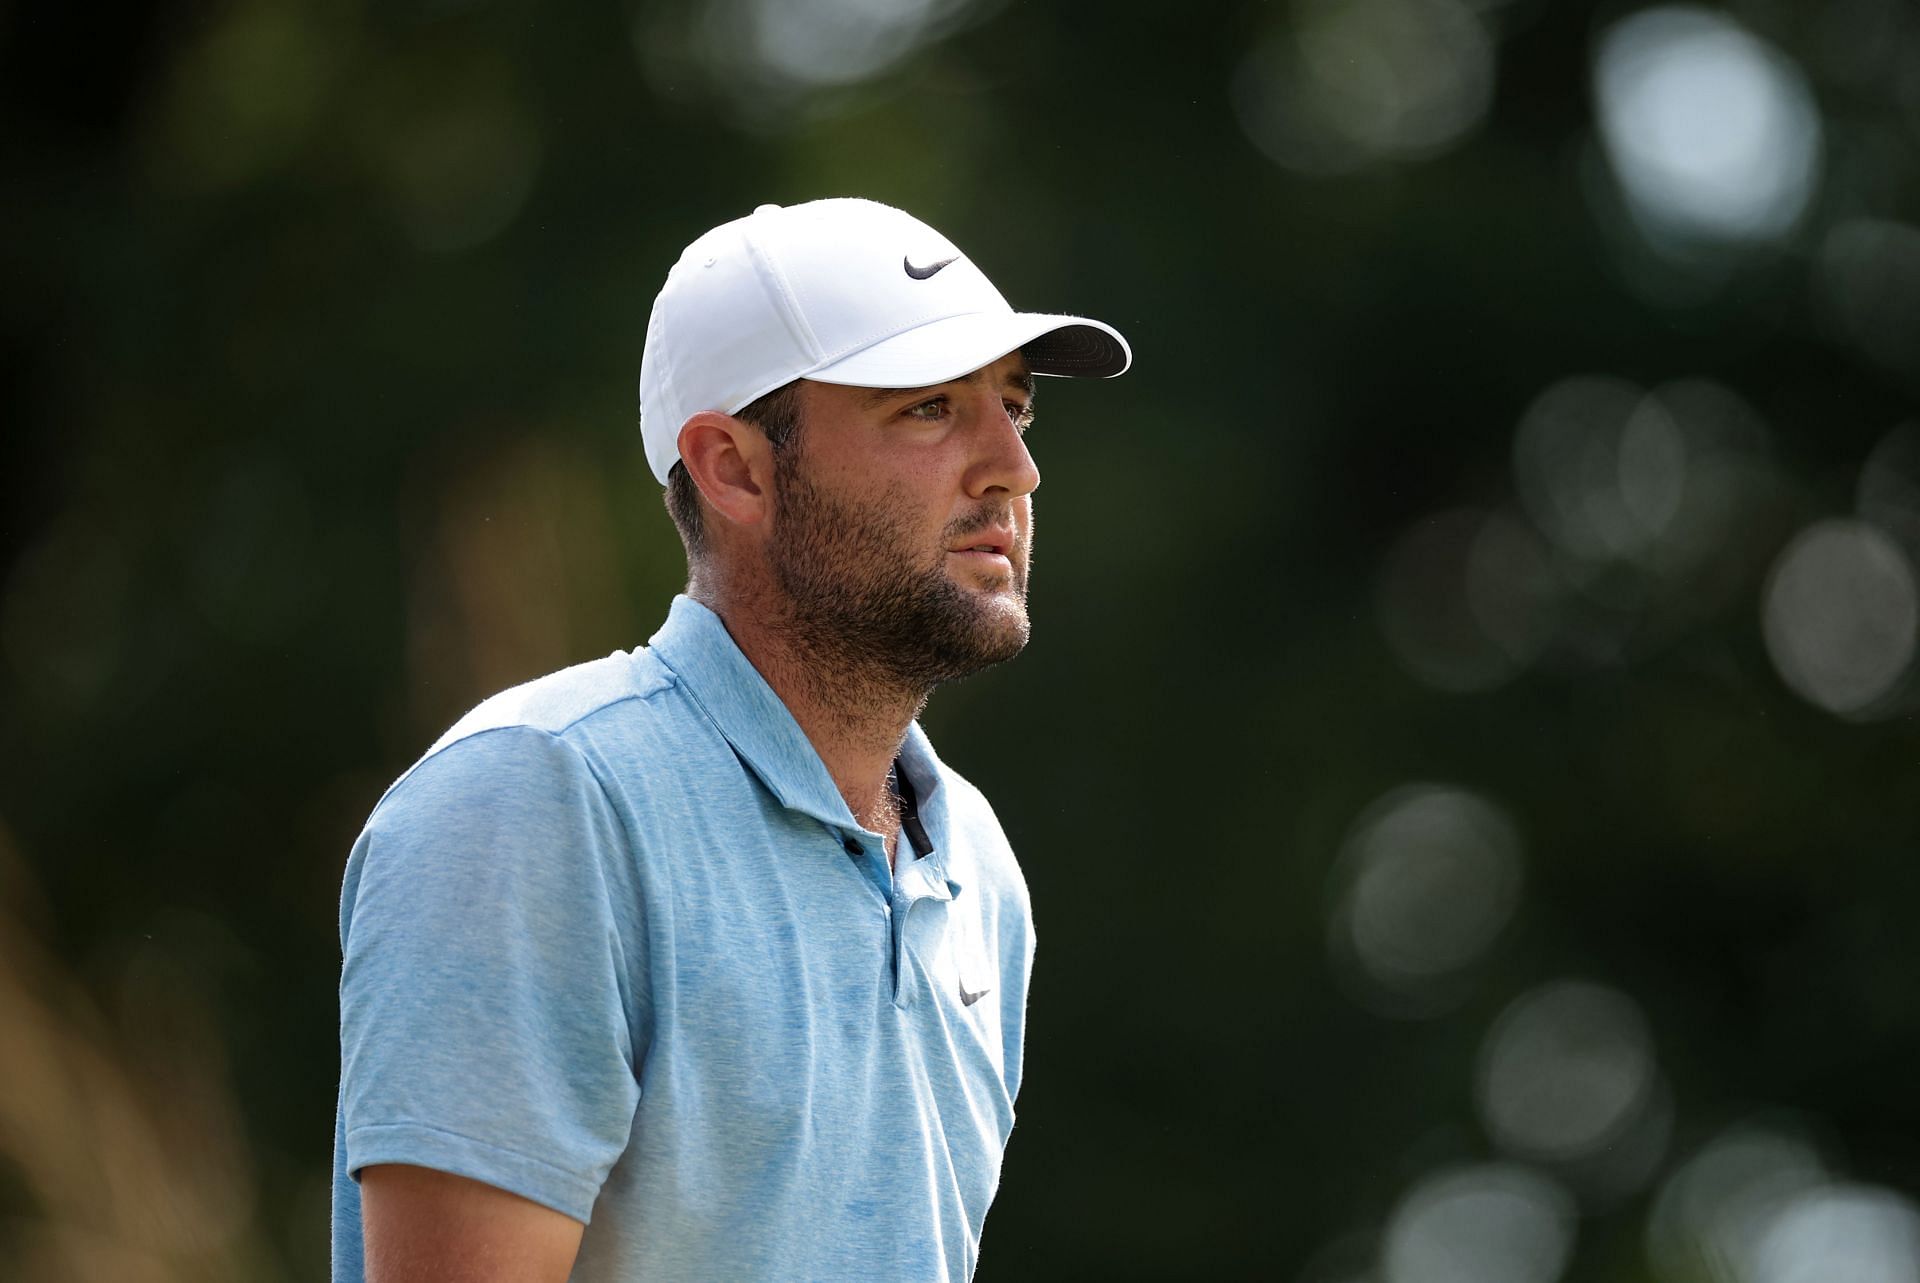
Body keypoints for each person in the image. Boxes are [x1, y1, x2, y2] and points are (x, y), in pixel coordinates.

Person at [330, 197, 1131, 1281]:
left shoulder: (977, 865)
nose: (1012, 468)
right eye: (932, 407)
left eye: (1016, 407)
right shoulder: (537, 800)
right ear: (734, 467)